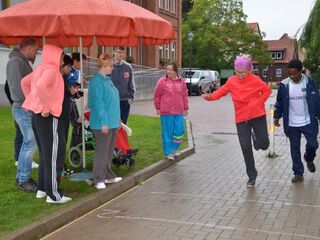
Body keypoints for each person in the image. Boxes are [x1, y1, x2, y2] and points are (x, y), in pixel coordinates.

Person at [202, 55, 271, 188]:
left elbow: (267, 91)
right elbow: (221, 91)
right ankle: (252, 176)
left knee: (264, 145)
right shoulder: (231, 81)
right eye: (237, 72)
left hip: (257, 116)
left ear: (249, 70)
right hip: (241, 118)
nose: (240, 75)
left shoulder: (255, 80)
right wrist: (210, 97)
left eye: (243, 72)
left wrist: (258, 103)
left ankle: (256, 139)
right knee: (245, 146)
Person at [21, 44, 72, 204]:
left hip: (39, 117)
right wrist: (44, 106)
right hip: (49, 118)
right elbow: (41, 86)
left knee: (45, 154)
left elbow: (25, 83)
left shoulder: (40, 69)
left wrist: (33, 102)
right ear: (54, 56)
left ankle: (42, 189)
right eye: (61, 57)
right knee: (54, 156)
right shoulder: (51, 70)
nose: (62, 60)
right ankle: (54, 195)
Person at [274, 59, 320, 183]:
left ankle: (309, 158)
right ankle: (298, 173)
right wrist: (277, 116)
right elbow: (279, 102)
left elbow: (317, 101)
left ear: (301, 71)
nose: (292, 76)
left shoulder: (309, 83)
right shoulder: (284, 85)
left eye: (295, 74)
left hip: (308, 121)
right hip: (292, 122)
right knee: (294, 148)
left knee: (313, 144)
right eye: (290, 74)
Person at [6, 37, 39, 192]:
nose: (36, 53)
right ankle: (23, 179)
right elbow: (18, 88)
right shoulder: (15, 62)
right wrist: (30, 103)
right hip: (22, 108)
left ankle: (23, 177)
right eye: (35, 49)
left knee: (29, 142)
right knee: (30, 143)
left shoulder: (22, 61)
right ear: (28, 48)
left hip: (26, 107)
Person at [88, 53, 122, 190]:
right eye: (111, 66)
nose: (113, 68)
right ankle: (98, 179)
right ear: (104, 66)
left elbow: (113, 101)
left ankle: (107, 175)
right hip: (102, 123)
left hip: (112, 122)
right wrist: (104, 122)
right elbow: (98, 104)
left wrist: (118, 119)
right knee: (102, 151)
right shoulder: (96, 82)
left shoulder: (107, 80)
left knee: (108, 152)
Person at [153, 62, 189, 160]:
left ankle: (173, 149)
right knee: (167, 132)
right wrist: (157, 107)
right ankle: (168, 152)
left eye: (170, 70)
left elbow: (184, 95)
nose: (168, 71)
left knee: (180, 131)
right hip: (166, 111)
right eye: (167, 69)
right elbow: (157, 95)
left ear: (175, 71)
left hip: (179, 111)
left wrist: (186, 108)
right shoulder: (162, 81)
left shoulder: (181, 82)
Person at [111, 46, 135, 124]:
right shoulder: (110, 66)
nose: (120, 54)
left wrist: (131, 97)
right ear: (114, 52)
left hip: (125, 100)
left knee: (123, 124)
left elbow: (131, 82)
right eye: (118, 52)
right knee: (113, 123)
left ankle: (123, 136)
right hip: (112, 100)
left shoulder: (128, 67)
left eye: (122, 52)